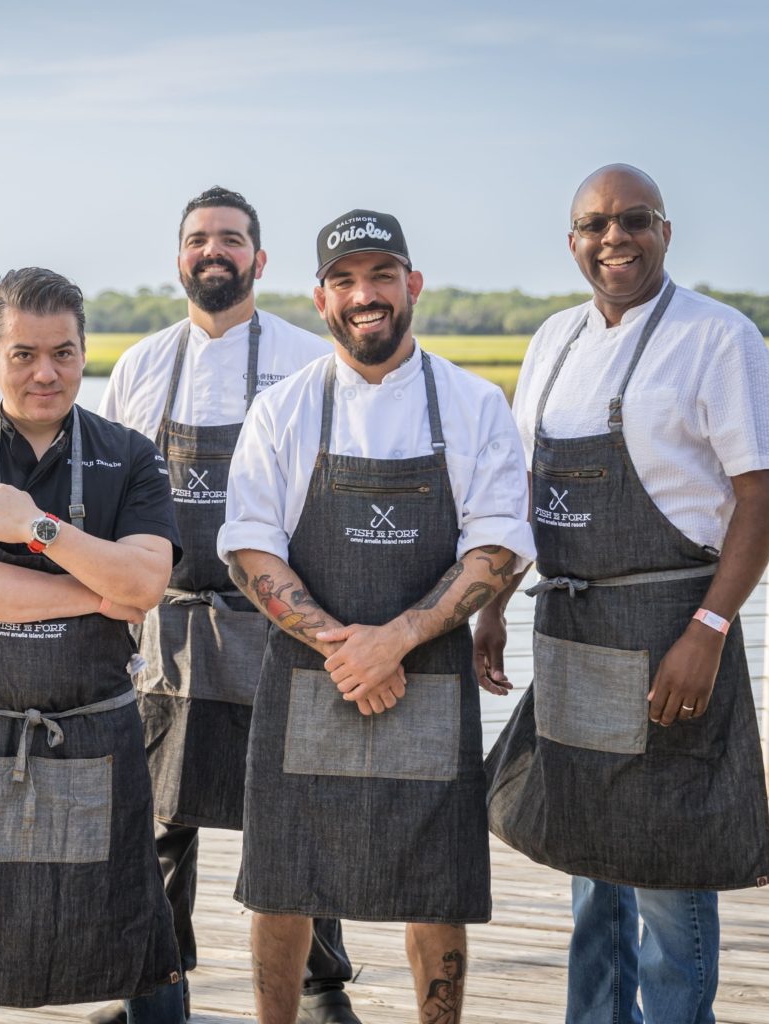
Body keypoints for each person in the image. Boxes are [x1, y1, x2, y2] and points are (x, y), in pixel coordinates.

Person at [480, 164, 769, 1024]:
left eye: (635, 219)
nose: (614, 238)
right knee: (590, 859)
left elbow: (765, 494)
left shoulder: (719, 337)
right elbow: (524, 496)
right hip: (573, 628)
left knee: (667, 861)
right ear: (572, 241)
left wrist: (709, 628)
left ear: (665, 232)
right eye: (595, 224)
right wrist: (494, 605)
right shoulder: (554, 341)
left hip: (670, 632)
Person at [220, 210, 535, 1024]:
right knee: (281, 883)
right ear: (321, 298)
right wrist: (347, 650)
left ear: (412, 284)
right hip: (308, 680)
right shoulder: (283, 409)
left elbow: (499, 548)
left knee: (436, 886)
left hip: (428, 682)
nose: (365, 295)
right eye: (346, 280)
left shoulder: (473, 404)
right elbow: (250, 550)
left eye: (382, 276)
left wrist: (394, 641)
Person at [0, 267, 186, 1022]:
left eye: (63, 353)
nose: (45, 372)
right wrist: (101, 591)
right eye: (23, 354)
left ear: (86, 353)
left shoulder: (133, 455)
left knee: (138, 936)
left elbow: (147, 580)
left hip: (98, 734)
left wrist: (38, 529)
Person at [99, 186, 360, 1024]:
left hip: (278, 625)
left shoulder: (309, 360)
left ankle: (321, 989)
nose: (214, 251)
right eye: (199, 239)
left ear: (260, 259)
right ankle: (156, 989)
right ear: (180, 257)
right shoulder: (140, 366)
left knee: (294, 813)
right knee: (158, 821)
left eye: (232, 239)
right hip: (167, 624)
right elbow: (105, 504)